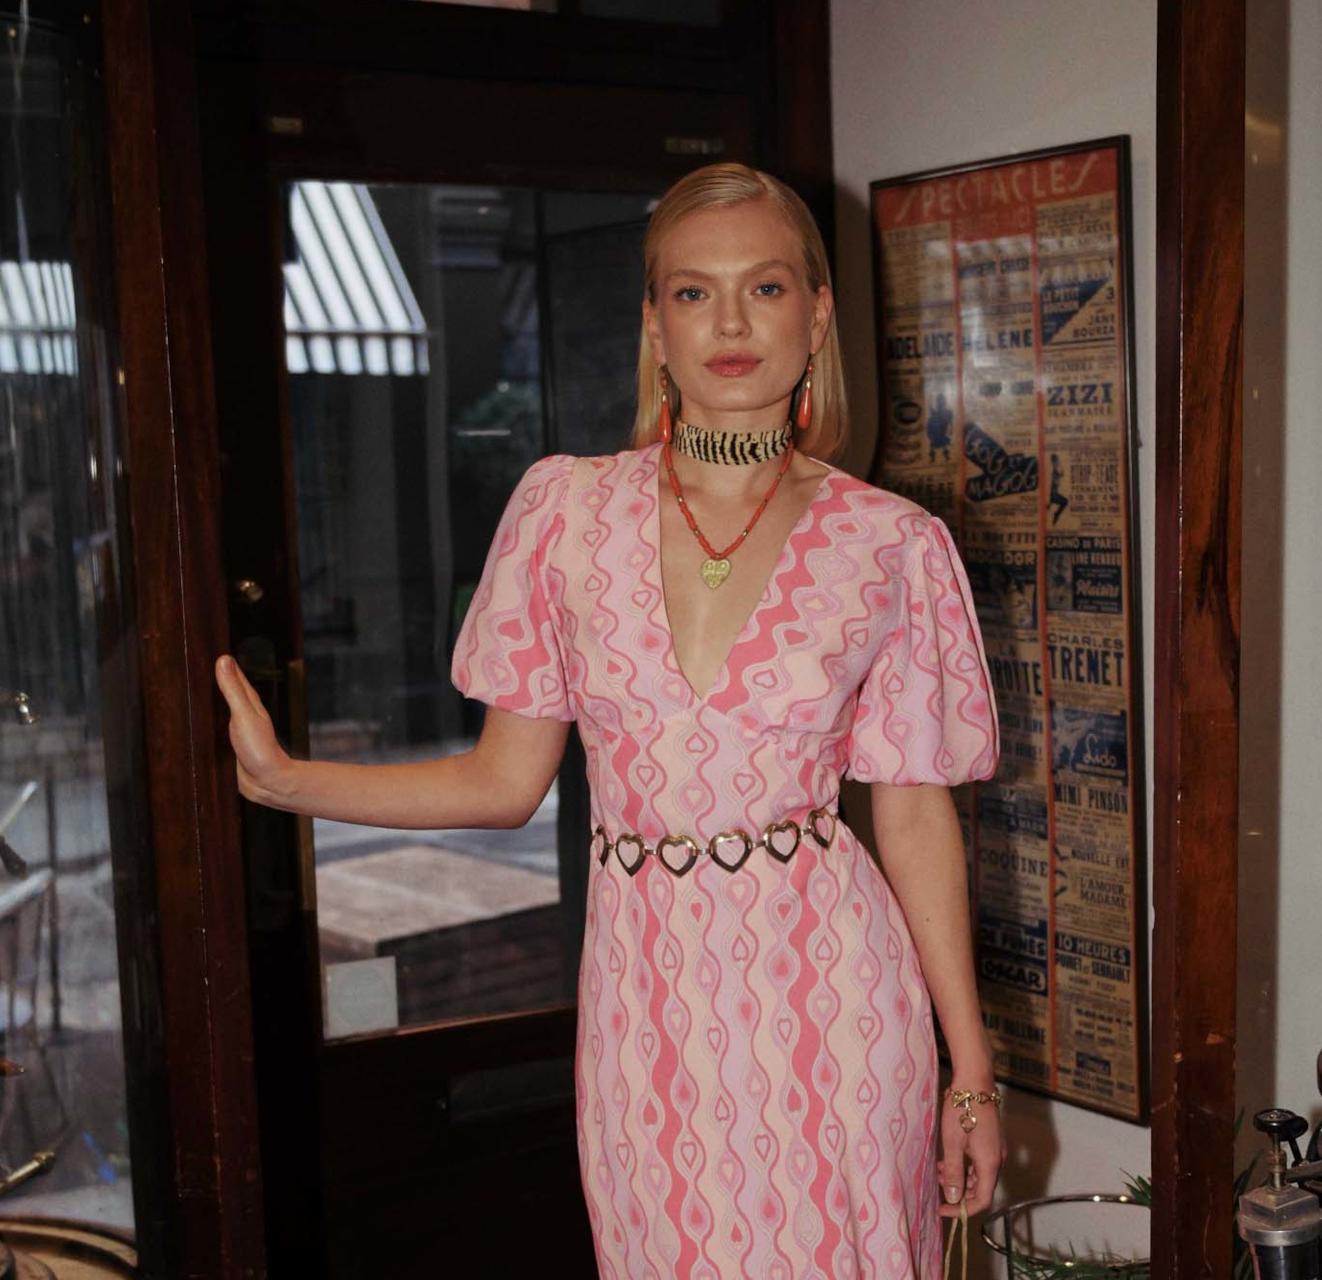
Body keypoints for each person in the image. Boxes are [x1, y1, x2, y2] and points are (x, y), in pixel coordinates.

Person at [215, 162, 1004, 1278]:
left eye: (766, 288)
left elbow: (915, 816)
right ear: (653, 321)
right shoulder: (563, 512)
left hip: (835, 1002)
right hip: (649, 1005)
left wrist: (968, 1065)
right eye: (692, 292)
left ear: (818, 311)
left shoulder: (894, 545)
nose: (729, 321)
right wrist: (294, 781)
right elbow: (502, 782)